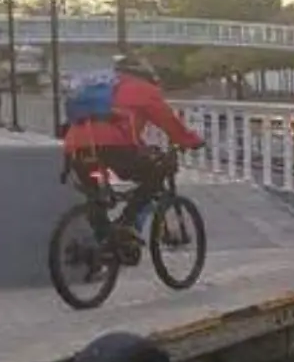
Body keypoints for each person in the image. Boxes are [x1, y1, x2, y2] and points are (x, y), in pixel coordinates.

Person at [61, 55, 205, 260]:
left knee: (94, 198)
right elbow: (170, 124)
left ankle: (106, 247)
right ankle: (127, 223)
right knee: (157, 170)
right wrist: (191, 141)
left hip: (76, 147)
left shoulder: (98, 86)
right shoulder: (144, 90)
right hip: (114, 147)